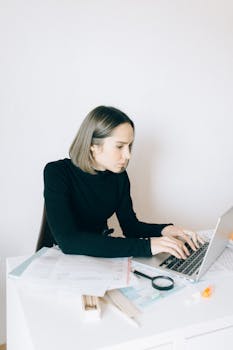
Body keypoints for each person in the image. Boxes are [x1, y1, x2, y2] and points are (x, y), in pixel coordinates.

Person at [43, 105, 204, 258]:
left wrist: (165, 230)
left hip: (95, 258)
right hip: (56, 258)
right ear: (93, 145)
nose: (128, 155)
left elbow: (131, 227)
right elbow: (68, 241)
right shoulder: (57, 172)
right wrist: (148, 246)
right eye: (119, 146)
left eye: (129, 146)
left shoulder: (118, 176)